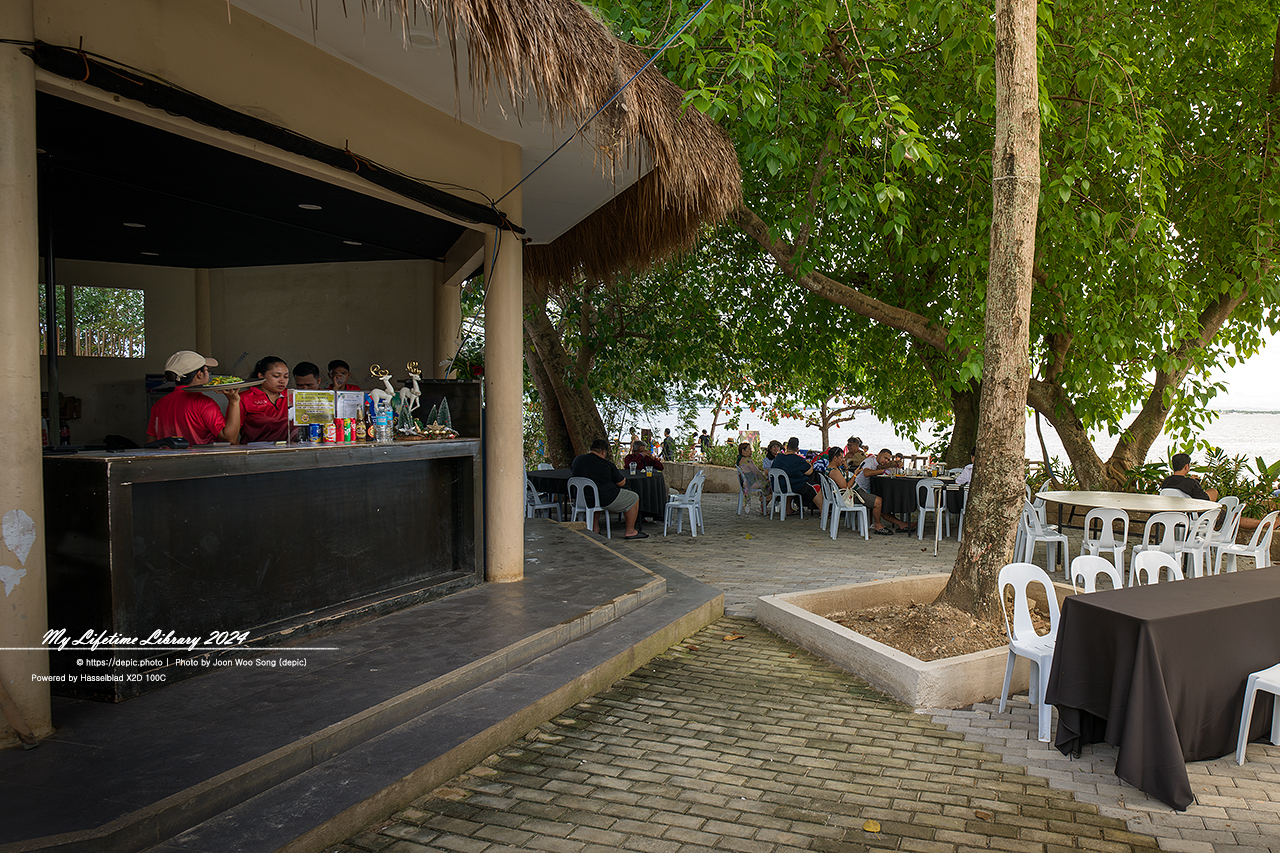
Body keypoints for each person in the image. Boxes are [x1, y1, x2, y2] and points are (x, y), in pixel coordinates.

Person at [146, 350, 241, 445]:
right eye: (207, 370)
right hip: (200, 459)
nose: (208, 373)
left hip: (169, 459)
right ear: (199, 374)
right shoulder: (204, 403)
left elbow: (151, 442)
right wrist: (234, 402)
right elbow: (229, 438)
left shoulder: (159, 404)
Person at [571, 438, 646, 539]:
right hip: (605, 499)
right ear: (603, 452)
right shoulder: (606, 464)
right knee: (633, 497)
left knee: (594, 494)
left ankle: (594, 528)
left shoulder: (577, 460)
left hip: (581, 498)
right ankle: (630, 531)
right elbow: (621, 483)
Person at [856, 448, 910, 532]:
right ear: (879, 454)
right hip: (858, 490)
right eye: (885, 458)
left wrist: (898, 463)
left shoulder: (879, 463)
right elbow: (866, 473)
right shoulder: (869, 461)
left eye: (888, 459)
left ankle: (901, 524)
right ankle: (877, 525)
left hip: (868, 490)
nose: (887, 461)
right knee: (878, 502)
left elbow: (892, 463)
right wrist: (884, 470)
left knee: (884, 503)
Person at [239, 356, 290, 443]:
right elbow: (232, 434)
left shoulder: (292, 396)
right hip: (254, 451)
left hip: (288, 451)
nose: (282, 381)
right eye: (276, 376)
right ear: (261, 376)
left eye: (286, 377)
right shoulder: (244, 398)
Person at [771, 437, 822, 515]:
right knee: (816, 487)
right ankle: (823, 512)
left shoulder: (778, 457)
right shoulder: (797, 459)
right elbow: (809, 472)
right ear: (797, 449)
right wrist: (809, 464)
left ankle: (788, 509)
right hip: (792, 485)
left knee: (789, 481)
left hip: (777, 486)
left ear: (787, 447)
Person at [736, 443, 766, 514]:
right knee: (769, 484)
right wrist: (765, 479)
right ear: (743, 451)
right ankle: (765, 501)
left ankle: (764, 500)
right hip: (751, 483)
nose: (751, 451)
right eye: (749, 449)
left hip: (745, 483)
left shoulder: (739, 460)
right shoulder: (747, 461)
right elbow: (757, 472)